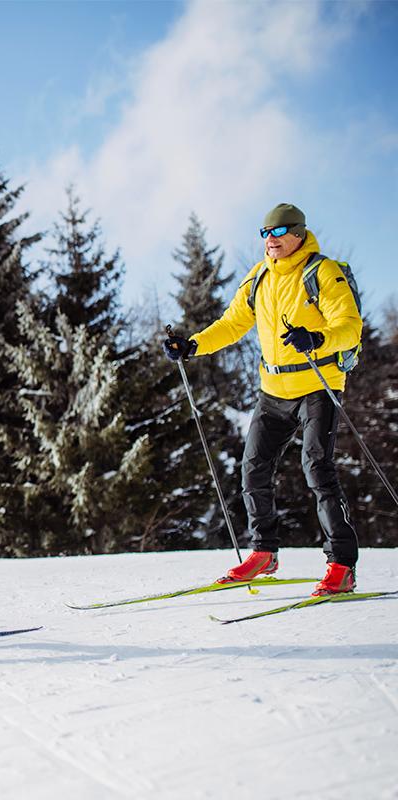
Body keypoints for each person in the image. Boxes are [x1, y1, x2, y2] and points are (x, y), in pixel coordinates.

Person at [163, 203, 362, 596]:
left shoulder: (322, 272)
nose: (270, 240)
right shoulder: (259, 278)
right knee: (253, 469)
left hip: (317, 385)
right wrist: (192, 345)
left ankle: (342, 564)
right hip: (273, 391)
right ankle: (263, 551)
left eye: (280, 232)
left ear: (300, 233)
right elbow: (233, 324)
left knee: (317, 468)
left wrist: (317, 338)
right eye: (265, 233)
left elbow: (350, 326)